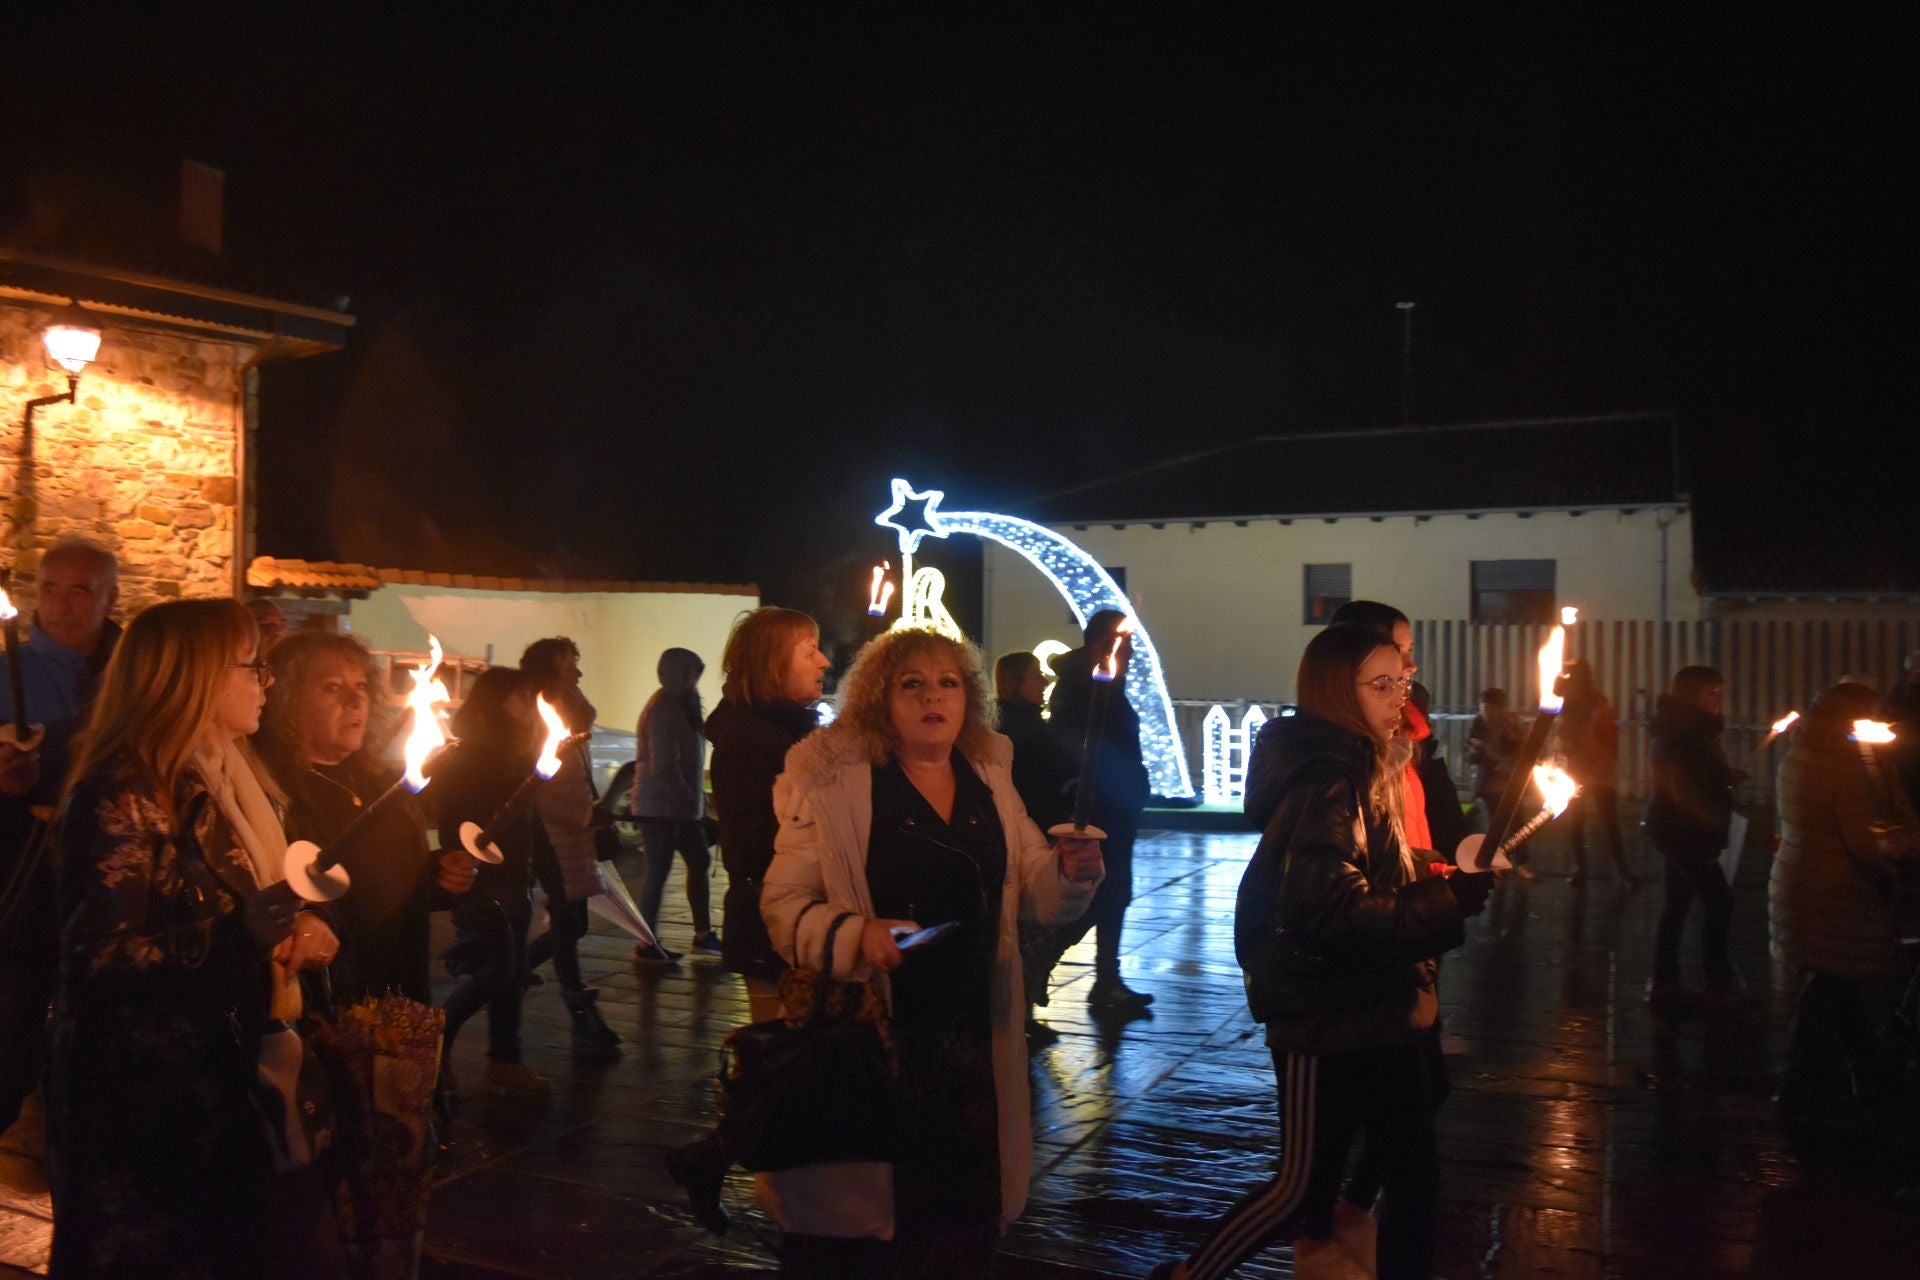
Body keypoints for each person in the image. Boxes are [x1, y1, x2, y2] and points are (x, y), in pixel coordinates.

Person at [1150, 624, 1490, 1280]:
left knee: (1415, 1179)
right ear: (1339, 692)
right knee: (1301, 1190)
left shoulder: (1372, 764)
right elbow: (1327, 909)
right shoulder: (1331, 782)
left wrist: (1436, 874)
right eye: (1382, 684)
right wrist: (1447, 905)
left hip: (1382, 1004)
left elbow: (1374, 868)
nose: (1401, 696)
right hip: (1325, 1016)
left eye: (1403, 682)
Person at [759, 627, 1102, 1276]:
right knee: (876, 1236)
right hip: (881, 1041)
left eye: (947, 682)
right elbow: (783, 907)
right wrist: (856, 936)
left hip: (975, 1037)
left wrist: (1072, 871)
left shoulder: (989, 777)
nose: (931, 698)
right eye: (910, 684)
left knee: (964, 1220)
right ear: (879, 701)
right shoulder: (834, 782)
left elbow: (1033, 886)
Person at [49, 598, 347, 1277]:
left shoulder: (225, 779)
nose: (266, 682)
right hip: (144, 1105)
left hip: (224, 1082)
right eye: (253, 667)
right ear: (197, 678)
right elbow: (100, 959)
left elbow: (236, 892)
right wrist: (236, 934)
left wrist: (298, 926)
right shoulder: (125, 792)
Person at [663, 608, 827, 1236]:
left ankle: (748, 1171)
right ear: (769, 664)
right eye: (808, 649)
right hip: (774, 925)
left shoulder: (781, 732)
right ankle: (766, 1186)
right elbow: (752, 849)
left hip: (794, 920)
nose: (823, 661)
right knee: (787, 1064)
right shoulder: (754, 742)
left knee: (796, 1064)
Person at [255, 631, 475, 1007]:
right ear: (288, 702)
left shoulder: (378, 782)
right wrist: (309, 917)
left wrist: (435, 874)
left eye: (360, 686)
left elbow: (384, 876)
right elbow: (280, 887)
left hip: (398, 987)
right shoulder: (274, 792)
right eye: (333, 688)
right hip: (333, 997)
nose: (356, 700)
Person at [1, 538, 123, 1135]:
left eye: (81, 590)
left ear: (110, 597)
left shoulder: (134, 673)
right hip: (24, 886)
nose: (62, 606)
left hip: (109, 887)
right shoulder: (8, 672)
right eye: (50, 588)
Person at [1768, 682, 1917, 1116]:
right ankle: (1796, 1080)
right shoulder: (1843, 766)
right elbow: (1864, 842)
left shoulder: (1802, 751)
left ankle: (1866, 1070)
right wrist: (1897, 851)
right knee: (1832, 984)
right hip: (1834, 893)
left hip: (1804, 883)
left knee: (1840, 983)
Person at [434, 667, 552, 1095]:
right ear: (494, 702)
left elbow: (528, 821)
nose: (529, 705)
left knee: (513, 973)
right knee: (499, 972)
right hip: (482, 879)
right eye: (520, 696)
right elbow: (454, 821)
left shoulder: (518, 756)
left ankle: (506, 1059)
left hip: (515, 876)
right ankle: (434, 1040)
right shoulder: (468, 757)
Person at [1036, 609, 1153, 1020]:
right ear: (1102, 641)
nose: (1132, 651)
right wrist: (1082, 787)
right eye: (1124, 641)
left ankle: (1107, 979)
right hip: (1096, 810)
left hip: (1117, 808)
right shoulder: (1078, 685)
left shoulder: (1108, 684)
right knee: (1087, 897)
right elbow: (1071, 742)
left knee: (1114, 895)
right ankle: (1036, 971)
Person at [519, 637, 622, 1048]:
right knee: (569, 920)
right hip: (555, 835)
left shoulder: (564, 713)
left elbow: (584, 717)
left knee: (572, 921)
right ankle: (576, 1006)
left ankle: (522, 970)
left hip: (574, 834)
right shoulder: (540, 723)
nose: (578, 673)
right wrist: (583, 816)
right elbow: (538, 791)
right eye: (569, 667)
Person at [1644, 665, 1745, 1009]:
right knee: (1720, 902)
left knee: (1677, 903)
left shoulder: (1693, 729)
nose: (1718, 699)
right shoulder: (1680, 733)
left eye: (1720, 691)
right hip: (1682, 830)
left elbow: (1699, 776)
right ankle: (1717, 986)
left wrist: (1725, 776)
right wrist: (1708, 831)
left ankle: (1664, 982)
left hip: (1677, 827)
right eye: (1709, 693)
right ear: (1690, 695)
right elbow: (1684, 791)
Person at [996, 650, 1079, 1044]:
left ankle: (1027, 999)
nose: (1043, 682)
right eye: (1034, 676)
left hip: (1043, 827)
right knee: (1030, 928)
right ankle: (1022, 1005)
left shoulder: (1028, 723)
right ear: (1015, 682)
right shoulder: (1015, 729)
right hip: (1032, 833)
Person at [633, 647, 719, 956]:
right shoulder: (663, 709)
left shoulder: (685, 704)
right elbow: (664, 767)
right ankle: (647, 942)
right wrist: (689, 804)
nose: (695, 681)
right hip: (660, 808)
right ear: (675, 674)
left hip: (679, 808)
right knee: (658, 869)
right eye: (691, 674)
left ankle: (703, 933)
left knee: (698, 861)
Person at [1559, 660, 1637, 886]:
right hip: (1577, 770)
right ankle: (1583, 868)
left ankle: (1618, 870)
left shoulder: (1596, 703)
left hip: (1597, 770)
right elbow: (1564, 735)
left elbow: (1609, 738)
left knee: (1607, 821)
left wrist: (1599, 762)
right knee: (1578, 820)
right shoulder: (1569, 704)